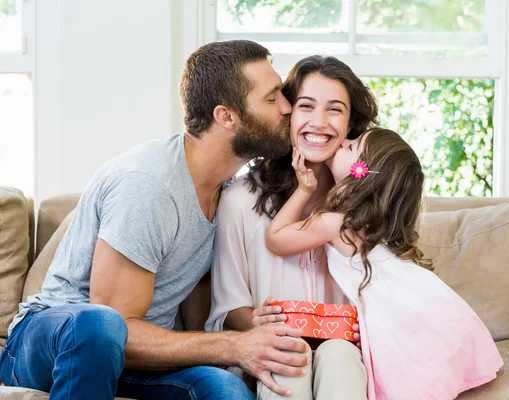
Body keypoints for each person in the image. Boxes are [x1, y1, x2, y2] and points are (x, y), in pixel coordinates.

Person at [0, 40, 311, 400]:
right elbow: (115, 327)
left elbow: (197, 289)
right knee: (100, 326)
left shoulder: (229, 189)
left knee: (224, 389)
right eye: (273, 99)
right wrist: (233, 346)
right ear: (226, 116)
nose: (288, 108)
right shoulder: (148, 187)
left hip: (135, 363)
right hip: (53, 343)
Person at [265, 128, 504, 400]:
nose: (344, 140)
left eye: (352, 146)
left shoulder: (336, 223)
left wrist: (304, 189)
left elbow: (276, 239)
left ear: (361, 172)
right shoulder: (375, 226)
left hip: (401, 311)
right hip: (419, 301)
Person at [204, 55, 379, 399]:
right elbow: (228, 309)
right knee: (289, 356)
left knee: (338, 354)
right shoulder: (240, 200)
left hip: (345, 354)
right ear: (287, 113)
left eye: (335, 109)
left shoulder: (368, 205)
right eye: (306, 106)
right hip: (272, 353)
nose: (319, 122)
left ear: (351, 123)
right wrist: (263, 322)